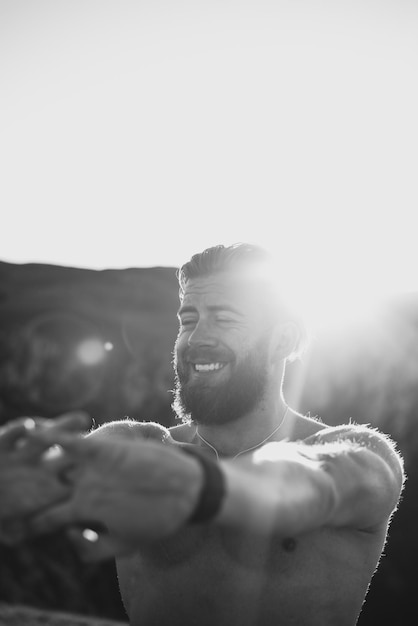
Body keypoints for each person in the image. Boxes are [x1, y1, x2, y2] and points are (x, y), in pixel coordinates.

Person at [10, 243, 405, 626]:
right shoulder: (140, 447)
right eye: (188, 319)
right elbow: (55, 473)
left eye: (225, 317)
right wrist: (27, 478)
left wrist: (204, 487)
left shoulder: (358, 456)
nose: (196, 338)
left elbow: (312, 482)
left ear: (281, 340)